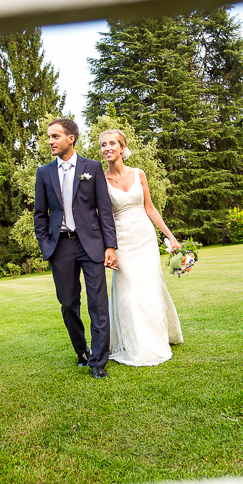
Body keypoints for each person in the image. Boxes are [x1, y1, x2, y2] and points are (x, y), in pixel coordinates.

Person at [34, 118, 118, 379]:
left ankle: (98, 362)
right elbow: (40, 215)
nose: (50, 142)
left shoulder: (92, 168)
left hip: (91, 245)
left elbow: (104, 211)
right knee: (69, 304)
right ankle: (81, 352)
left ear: (71, 138)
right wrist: (45, 243)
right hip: (60, 247)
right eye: (49, 137)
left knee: (97, 305)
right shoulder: (44, 172)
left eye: (55, 136)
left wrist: (110, 246)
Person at [100, 129, 183, 366]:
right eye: (103, 144)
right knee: (129, 293)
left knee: (150, 289)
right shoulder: (100, 179)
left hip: (145, 238)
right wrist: (109, 247)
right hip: (121, 241)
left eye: (112, 143)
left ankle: (158, 339)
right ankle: (135, 344)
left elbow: (150, 209)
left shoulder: (139, 174)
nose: (107, 148)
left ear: (123, 147)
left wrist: (171, 237)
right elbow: (102, 217)